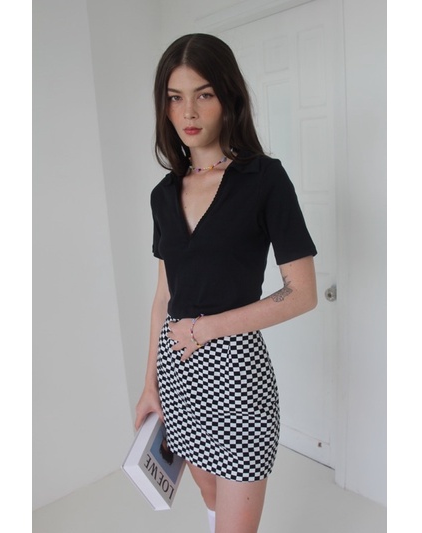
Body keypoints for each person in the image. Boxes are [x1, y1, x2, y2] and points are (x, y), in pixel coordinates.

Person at [135, 33, 318, 533]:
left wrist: (205, 329)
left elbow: (302, 293)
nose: (189, 111)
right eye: (175, 97)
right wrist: (150, 385)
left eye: (205, 94)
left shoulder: (264, 180)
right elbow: (163, 297)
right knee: (209, 495)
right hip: (177, 374)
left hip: (237, 376)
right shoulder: (162, 195)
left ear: (228, 97)